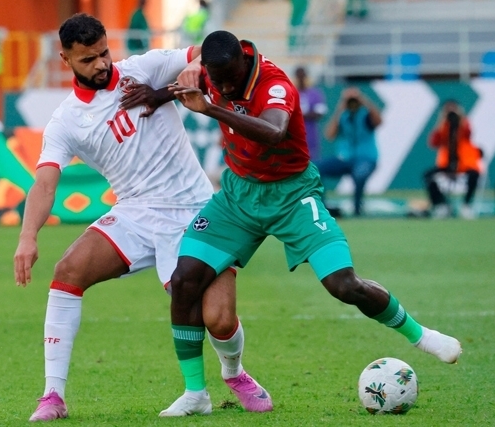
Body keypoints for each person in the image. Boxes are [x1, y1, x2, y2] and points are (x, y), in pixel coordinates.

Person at [164, 30, 462, 415]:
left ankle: (423, 336)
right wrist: (155, 95)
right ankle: (195, 394)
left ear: (243, 59)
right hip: (239, 196)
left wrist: (210, 107)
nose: (223, 87)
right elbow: (185, 85)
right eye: (215, 80)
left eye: (228, 80)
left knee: (343, 284)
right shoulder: (212, 72)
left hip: (293, 195)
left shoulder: (274, 84)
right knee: (185, 278)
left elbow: (273, 132)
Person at [12, 14, 269, 422]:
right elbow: (45, 184)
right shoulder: (65, 122)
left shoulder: (143, 69)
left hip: (196, 209)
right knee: (68, 271)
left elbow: (218, 45)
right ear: (65, 59)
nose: (100, 65)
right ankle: (53, 396)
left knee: (218, 320)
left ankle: (234, 375)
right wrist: (28, 236)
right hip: (135, 211)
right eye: (87, 60)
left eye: (103, 53)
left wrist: (195, 62)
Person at [316, 87, 381, 216]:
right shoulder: (343, 116)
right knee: (316, 169)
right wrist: (340, 109)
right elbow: (329, 135)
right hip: (345, 158)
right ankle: (322, 207)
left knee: (360, 174)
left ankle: (357, 208)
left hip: (365, 157)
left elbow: (379, 121)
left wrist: (364, 101)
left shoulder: (365, 114)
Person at [423, 100, 483, 220]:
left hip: (464, 163)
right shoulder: (443, 125)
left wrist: (459, 118)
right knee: (428, 176)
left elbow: (468, 133)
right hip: (447, 163)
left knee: (474, 175)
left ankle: (466, 205)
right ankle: (441, 205)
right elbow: (434, 142)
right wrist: (442, 122)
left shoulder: (463, 123)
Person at [294, 66, 327, 161]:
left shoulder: (315, 93)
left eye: (302, 76)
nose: (300, 79)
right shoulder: (291, 93)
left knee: (312, 162)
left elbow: (320, 112)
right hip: (294, 136)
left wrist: (299, 115)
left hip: (310, 134)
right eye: (298, 76)